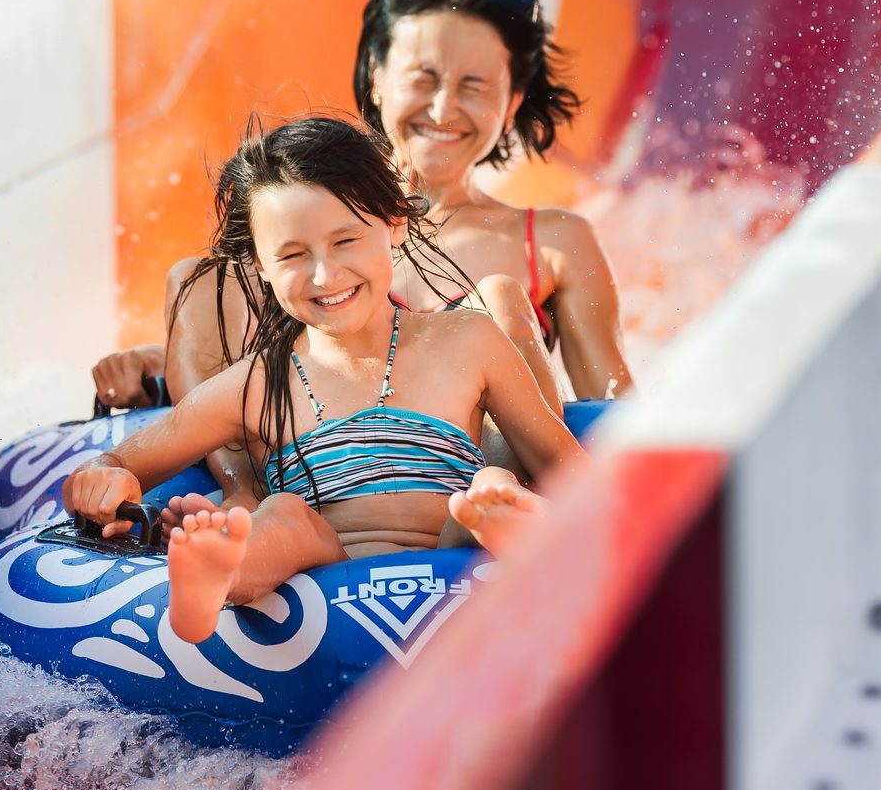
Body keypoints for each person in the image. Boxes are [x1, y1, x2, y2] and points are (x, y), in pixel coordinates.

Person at [62, 117, 580, 645]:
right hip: (328, 571)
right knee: (284, 516)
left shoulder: (469, 340)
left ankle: (515, 533)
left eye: (345, 240)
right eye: (291, 254)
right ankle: (219, 577)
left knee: (492, 488)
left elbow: (568, 470)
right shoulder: (256, 383)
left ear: (395, 221)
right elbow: (125, 460)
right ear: (259, 264)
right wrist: (105, 477)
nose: (324, 276)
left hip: (456, 548)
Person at [91, 0, 632, 443]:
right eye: (423, 79)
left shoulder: (555, 243)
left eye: (474, 86)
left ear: (511, 103)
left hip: (477, 483)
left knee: (495, 301)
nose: (444, 110)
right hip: (308, 481)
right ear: (377, 78)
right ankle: (246, 497)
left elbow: (613, 412)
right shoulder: (302, 216)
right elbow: (283, 356)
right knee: (200, 275)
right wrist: (161, 370)